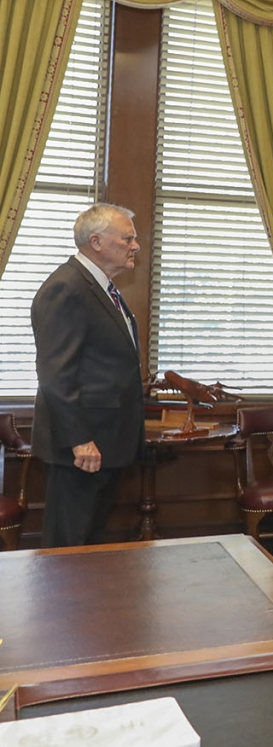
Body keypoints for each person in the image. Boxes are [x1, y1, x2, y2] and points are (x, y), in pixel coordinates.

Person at [32, 203, 145, 547]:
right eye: (128, 238)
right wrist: (80, 440)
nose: (135, 246)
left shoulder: (101, 288)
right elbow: (55, 374)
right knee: (69, 546)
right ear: (96, 242)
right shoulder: (67, 288)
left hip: (106, 439)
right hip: (82, 445)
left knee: (90, 545)